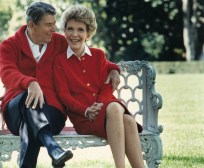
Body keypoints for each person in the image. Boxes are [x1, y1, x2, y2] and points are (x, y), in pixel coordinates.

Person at [0, 2, 120, 168]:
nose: (54, 29)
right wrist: (30, 83)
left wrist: (113, 69)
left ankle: (54, 151)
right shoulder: (9, 46)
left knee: (30, 122)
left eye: (54, 24)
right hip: (16, 112)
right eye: (49, 25)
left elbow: (89, 55)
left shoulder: (60, 42)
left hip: (52, 113)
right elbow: (7, 73)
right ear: (32, 25)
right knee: (28, 98)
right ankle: (52, 147)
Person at [53, 5, 144, 168]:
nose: (75, 34)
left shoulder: (98, 55)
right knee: (117, 110)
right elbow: (63, 95)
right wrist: (86, 110)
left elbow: (107, 86)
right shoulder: (59, 61)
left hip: (107, 111)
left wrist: (100, 104)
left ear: (88, 34)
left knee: (128, 120)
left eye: (80, 30)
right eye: (70, 29)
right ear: (64, 31)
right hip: (83, 118)